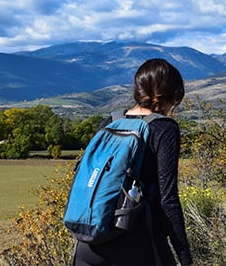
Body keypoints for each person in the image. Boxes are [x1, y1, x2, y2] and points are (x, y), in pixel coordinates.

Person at [73, 58, 193, 265]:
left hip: (89, 241)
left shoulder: (110, 122)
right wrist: (185, 257)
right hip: (138, 241)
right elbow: (168, 198)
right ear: (171, 94)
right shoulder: (164, 128)